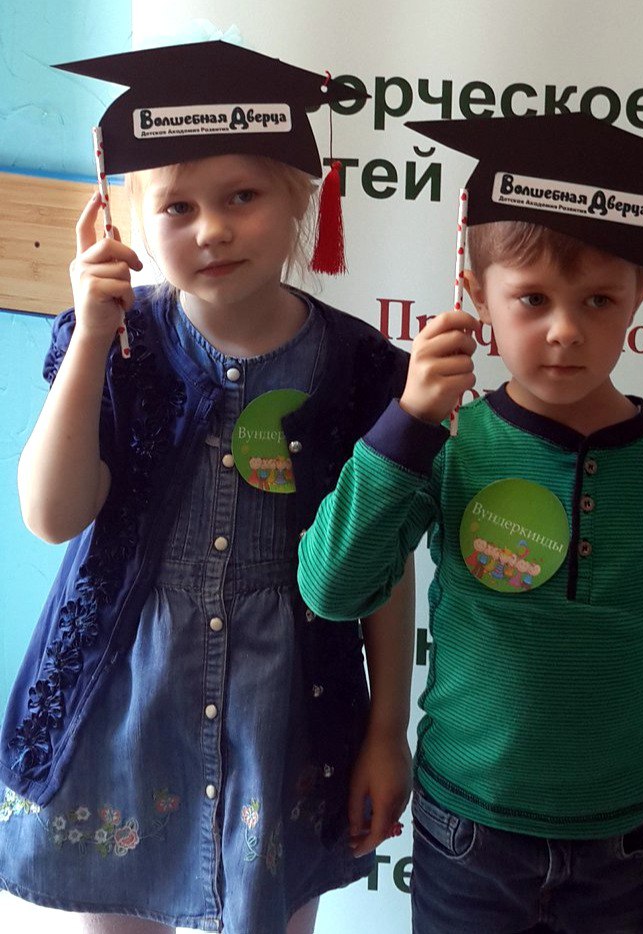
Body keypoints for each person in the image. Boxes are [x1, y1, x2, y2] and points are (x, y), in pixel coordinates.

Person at [0, 41, 412, 934]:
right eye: (178, 207)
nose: (212, 230)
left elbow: (378, 562)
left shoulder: (357, 367)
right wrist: (90, 338)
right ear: (130, 222)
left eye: (242, 197)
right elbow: (52, 516)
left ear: (300, 199)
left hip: (288, 707)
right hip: (124, 695)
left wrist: (387, 729)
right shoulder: (119, 344)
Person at [298, 113, 643, 934]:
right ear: (475, 296)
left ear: (641, 295)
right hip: (468, 831)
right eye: (531, 299)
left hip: (624, 844)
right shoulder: (444, 442)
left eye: (598, 299)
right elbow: (331, 589)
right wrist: (404, 425)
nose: (564, 329)